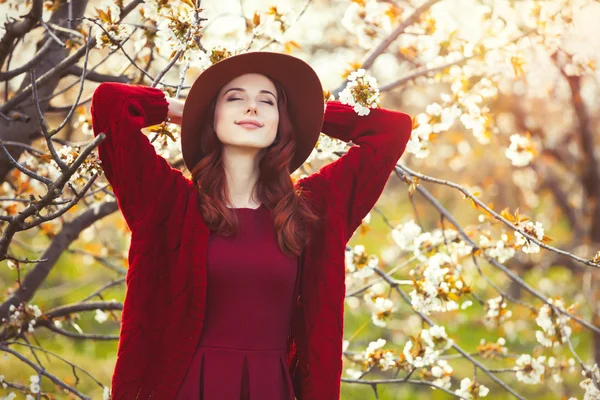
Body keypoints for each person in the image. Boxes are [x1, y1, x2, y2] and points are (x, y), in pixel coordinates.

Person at [90, 51, 413, 400]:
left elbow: (390, 130)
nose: (252, 108)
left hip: (271, 388)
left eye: (267, 101)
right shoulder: (169, 204)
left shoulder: (312, 209)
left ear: (281, 119)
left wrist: (306, 117)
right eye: (234, 99)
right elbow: (111, 102)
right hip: (185, 388)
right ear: (211, 114)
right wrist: (185, 109)